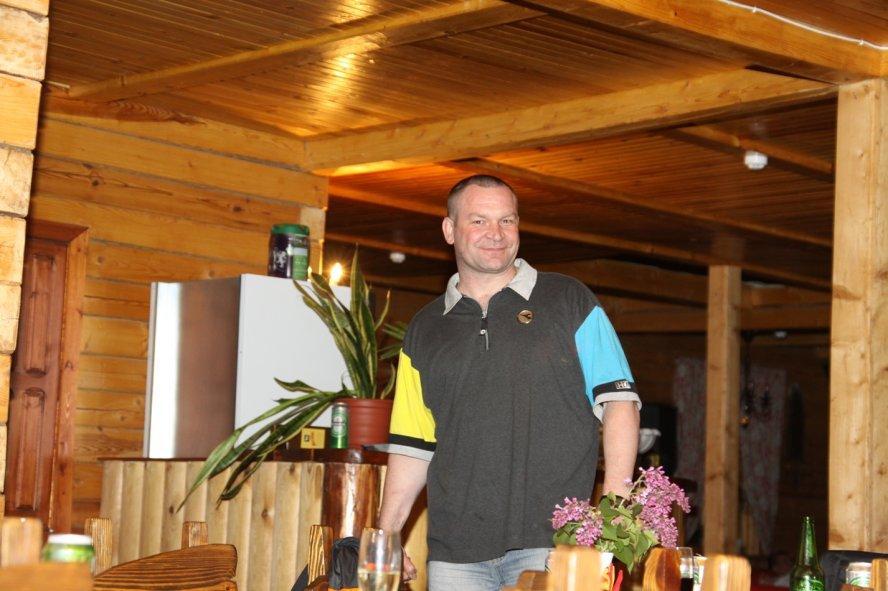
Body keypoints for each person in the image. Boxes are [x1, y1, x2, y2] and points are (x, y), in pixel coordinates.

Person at [377, 174, 641, 590]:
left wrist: (612, 517)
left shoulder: (569, 300)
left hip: (553, 545)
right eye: (479, 221)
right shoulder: (425, 329)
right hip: (453, 554)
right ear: (449, 230)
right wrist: (386, 535)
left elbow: (620, 404)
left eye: (507, 220)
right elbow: (412, 446)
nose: (496, 233)